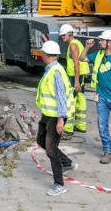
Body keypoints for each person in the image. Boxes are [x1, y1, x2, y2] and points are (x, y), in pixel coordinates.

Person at [80, 29, 111, 164]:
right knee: (102, 126)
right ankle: (108, 152)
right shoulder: (97, 55)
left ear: (110, 43)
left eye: (102, 40)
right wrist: (86, 47)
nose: (99, 42)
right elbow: (82, 58)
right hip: (101, 98)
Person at [35, 40, 75, 197]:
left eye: (42, 53)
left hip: (56, 117)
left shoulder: (56, 72)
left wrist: (61, 119)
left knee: (51, 149)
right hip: (48, 114)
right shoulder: (51, 69)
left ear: (45, 54)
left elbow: (61, 97)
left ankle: (59, 184)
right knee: (40, 141)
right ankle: (66, 162)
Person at [59, 24, 89, 136]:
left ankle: (68, 129)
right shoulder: (77, 43)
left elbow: (77, 64)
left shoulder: (73, 45)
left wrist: (76, 81)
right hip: (79, 75)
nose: (62, 37)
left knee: (70, 101)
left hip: (75, 76)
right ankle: (81, 126)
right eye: (61, 36)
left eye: (63, 35)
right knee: (80, 99)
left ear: (70, 34)